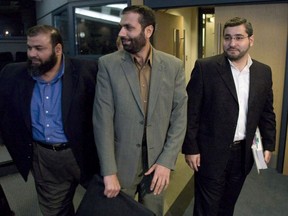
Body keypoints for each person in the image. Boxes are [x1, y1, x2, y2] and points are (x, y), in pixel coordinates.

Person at [93, 5, 187, 216]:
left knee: (153, 213)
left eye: (128, 27)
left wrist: (167, 161)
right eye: (120, 27)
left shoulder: (173, 66)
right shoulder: (107, 65)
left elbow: (180, 117)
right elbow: (103, 121)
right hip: (121, 163)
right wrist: (109, 171)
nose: (121, 33)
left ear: (148, 31)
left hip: (158, 163)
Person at [0, 25, 99, 216]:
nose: (32, 54)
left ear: (58, 49)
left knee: (102, 206)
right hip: (44, 158)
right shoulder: (12, 74)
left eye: (39, 48)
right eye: (29, 48)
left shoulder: (88, 71)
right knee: (54, 211)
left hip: (83, 153)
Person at [182, 17, 276, 216]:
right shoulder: (205, 68)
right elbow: (191, 111)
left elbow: (266, 112)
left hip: (244, 153)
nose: (232, 43)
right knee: (206, 208)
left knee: (228, 205)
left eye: (239, 37)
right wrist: (191, 147)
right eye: (227, 38)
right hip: (210, 153)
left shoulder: (263, 72)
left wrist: (268, 144)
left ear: (251, 40)